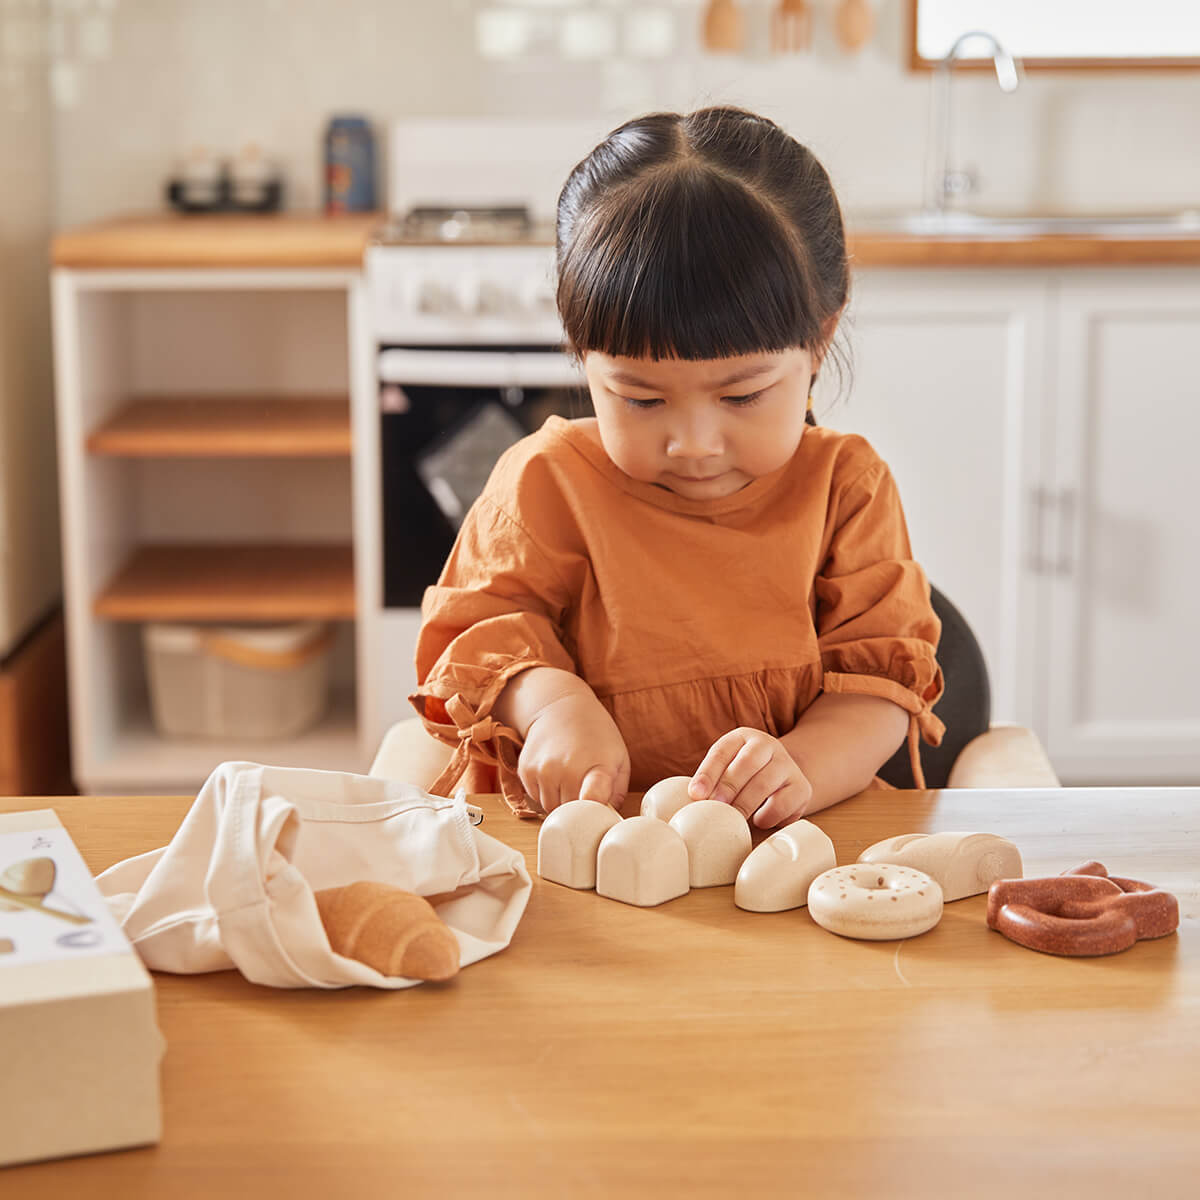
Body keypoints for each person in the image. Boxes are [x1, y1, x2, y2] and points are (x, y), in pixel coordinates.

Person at [410, 106, 944, 829]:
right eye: (641, 397)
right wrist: (553, 705)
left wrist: (803, 768)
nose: (694, 443)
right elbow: (479, 638)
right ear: (580, 353)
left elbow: (878, 686)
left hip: (785, 847)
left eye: (743, 395)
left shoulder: (846, 489)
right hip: (575, 856)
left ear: (820, 340)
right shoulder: (546, 484)